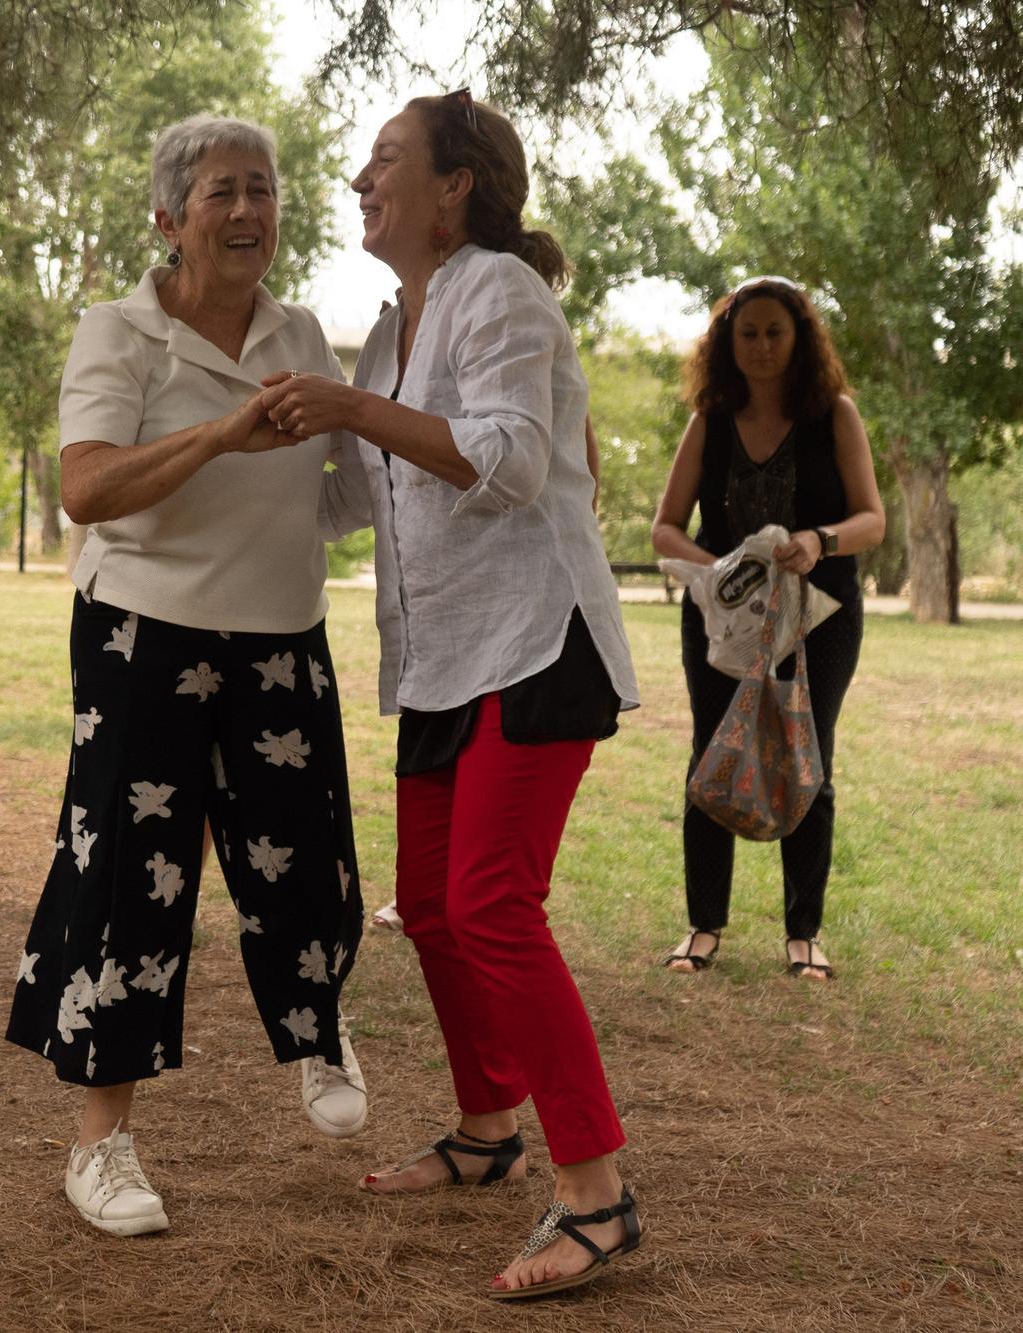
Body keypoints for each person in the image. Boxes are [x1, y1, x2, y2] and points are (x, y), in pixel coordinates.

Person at [262, 90, 641, 1297]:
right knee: (427, 908)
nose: (360, 180)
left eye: (384, 161)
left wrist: (354, 408)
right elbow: (354, 500)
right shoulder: (385, 330)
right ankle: (486, 1129)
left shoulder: (498, 291)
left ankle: (596, 1195)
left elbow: (515, 457)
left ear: (452, 188)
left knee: (489, 904)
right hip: (436, 657)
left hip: (537, 642)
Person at [2, 115, 369, 1239]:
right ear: (168, 218)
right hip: (143, 636)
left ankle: (314, 1031)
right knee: (127, 879)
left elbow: (345, 492)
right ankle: (98, 1148)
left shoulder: (301, 328)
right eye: (220, 192)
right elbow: (87, 488)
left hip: (279, 632)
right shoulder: (117, 334)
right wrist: (222, 437)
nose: (248, 211)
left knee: (302, 850)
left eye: (261, 189)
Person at [651, 277, 884, 981]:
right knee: (710, 758)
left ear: (799, 338)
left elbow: (873, 519)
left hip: (820, 622)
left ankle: (803, 933)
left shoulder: (833, 414)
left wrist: (818, 540)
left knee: (808, 759)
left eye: (773, 332)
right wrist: (719, 568)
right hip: (722, 625)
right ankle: (703, 927)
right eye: (746, 332)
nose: (759, 345)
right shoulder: (710, 420)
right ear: (727, 342)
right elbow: (664, 528)